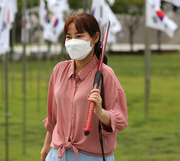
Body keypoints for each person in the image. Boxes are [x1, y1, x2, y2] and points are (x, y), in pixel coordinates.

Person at [41, 13, 128, 161]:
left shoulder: (106, 75)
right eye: (69, 36)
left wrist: (101, 113)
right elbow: (53, 117)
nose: (73, 41)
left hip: (91, 156)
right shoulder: (59, 70)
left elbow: (120, 120)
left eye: (79, 36)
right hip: (57, 154)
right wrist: (46, 146)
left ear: (95, 38)